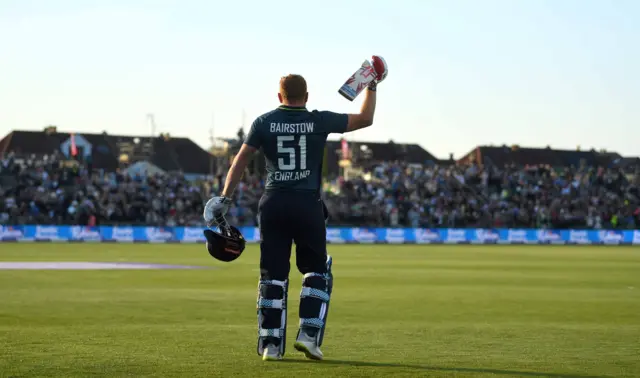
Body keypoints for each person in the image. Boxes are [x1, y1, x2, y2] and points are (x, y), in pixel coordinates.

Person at [203, 64, 387, 361]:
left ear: (280, 95)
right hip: (307, 204)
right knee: (316, 270)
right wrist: (373, 85)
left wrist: (225, 196)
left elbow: (239, 161)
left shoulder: (263, 122)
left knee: (272, 275)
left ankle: (271, 346)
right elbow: (365, 119)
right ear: (307, 96)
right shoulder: (319, 121)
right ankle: (308, 336)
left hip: (273, 202)